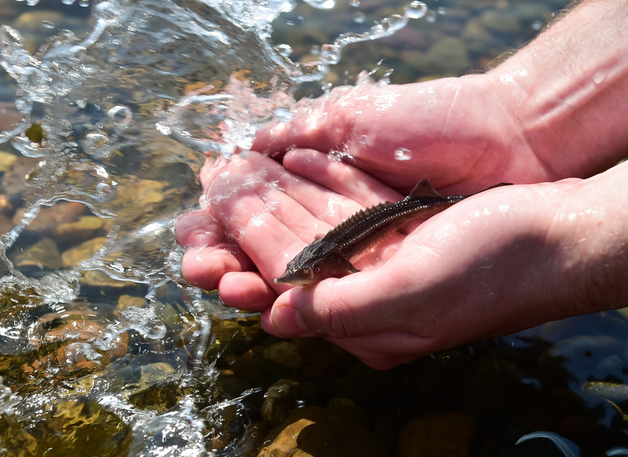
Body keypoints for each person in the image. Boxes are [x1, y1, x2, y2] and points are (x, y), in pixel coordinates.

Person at [176, 0, 628, 369]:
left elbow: (339, 263)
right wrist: (515, 114)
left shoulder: (336, 260)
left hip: (396, 215)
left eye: (306, 273)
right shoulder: (324, 257)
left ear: (329, 265)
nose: (297, 279)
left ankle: (471, 197)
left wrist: (560, 238)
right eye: (301, 273)